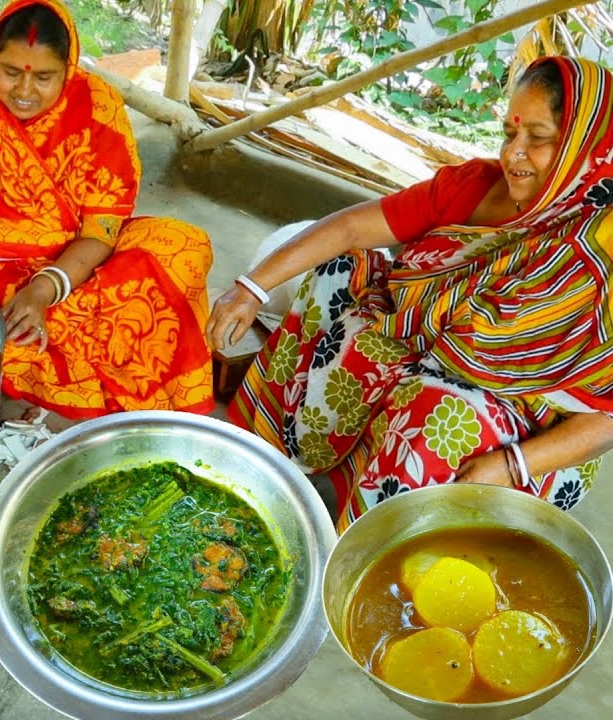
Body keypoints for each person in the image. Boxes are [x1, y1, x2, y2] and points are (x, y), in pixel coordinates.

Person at [208, 56, 613, 533]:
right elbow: (356, 226)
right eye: (509, 133)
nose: (514, 154)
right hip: (434, 343)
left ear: (587, 145)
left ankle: (367, 540)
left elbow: (605, 419)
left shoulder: (601, 246)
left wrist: (513, 464)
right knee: (340, 274)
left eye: (539, 138)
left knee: (437, 409)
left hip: (532, 420)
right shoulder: (477, 185)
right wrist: (251, 288)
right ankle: (288, 460)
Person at [0, 0, 214, 420]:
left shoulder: (98, 107)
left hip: (70, 272)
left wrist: (42, 291)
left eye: (44, 77)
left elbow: (101, 231)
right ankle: (1, 350)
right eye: (11, 72)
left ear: (68, 69)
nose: (25, 91)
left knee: (182, 249)